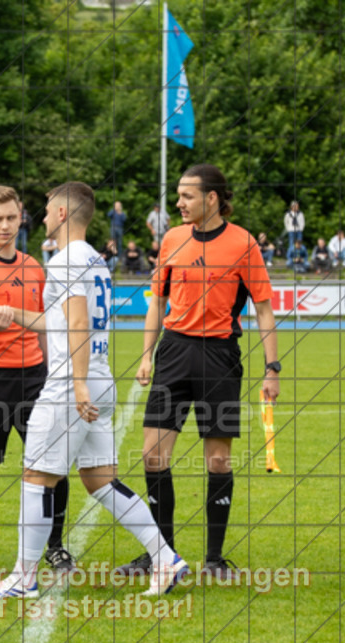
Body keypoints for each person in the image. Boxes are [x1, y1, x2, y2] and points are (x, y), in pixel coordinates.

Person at [0, 181, 187, 599]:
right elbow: (65, 320)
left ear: (64, 214)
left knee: (36, 477)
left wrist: (75, 385)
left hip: (73, 383)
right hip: (99, 378)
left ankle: (23, 578)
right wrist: (14, 313)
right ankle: (166, 559)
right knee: (101, 480)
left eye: (50, 208)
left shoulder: (65, 259)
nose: (43, 215)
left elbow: (76, 325)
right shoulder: (93, 259)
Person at [116, 164, 279, 580]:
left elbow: (262, 307)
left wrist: (272, 368)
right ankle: (161, 555)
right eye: (178, 196)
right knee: (153, 456)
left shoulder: (244, 243)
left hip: (220, 358)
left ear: (211, 198)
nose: (178, 203)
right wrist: (147, 354)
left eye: (186, 196)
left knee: (219, 462)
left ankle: (214, 559)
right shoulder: (171, 239)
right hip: (173, 352)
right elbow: (156, 301)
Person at [0, 184, 74, 582]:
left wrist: (56, 371)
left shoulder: (35, 267)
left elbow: (46, 327)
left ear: (21, 217)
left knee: (51, 467)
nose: (4, 226)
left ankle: (55, 548)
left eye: (10, 218)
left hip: (38, 379)